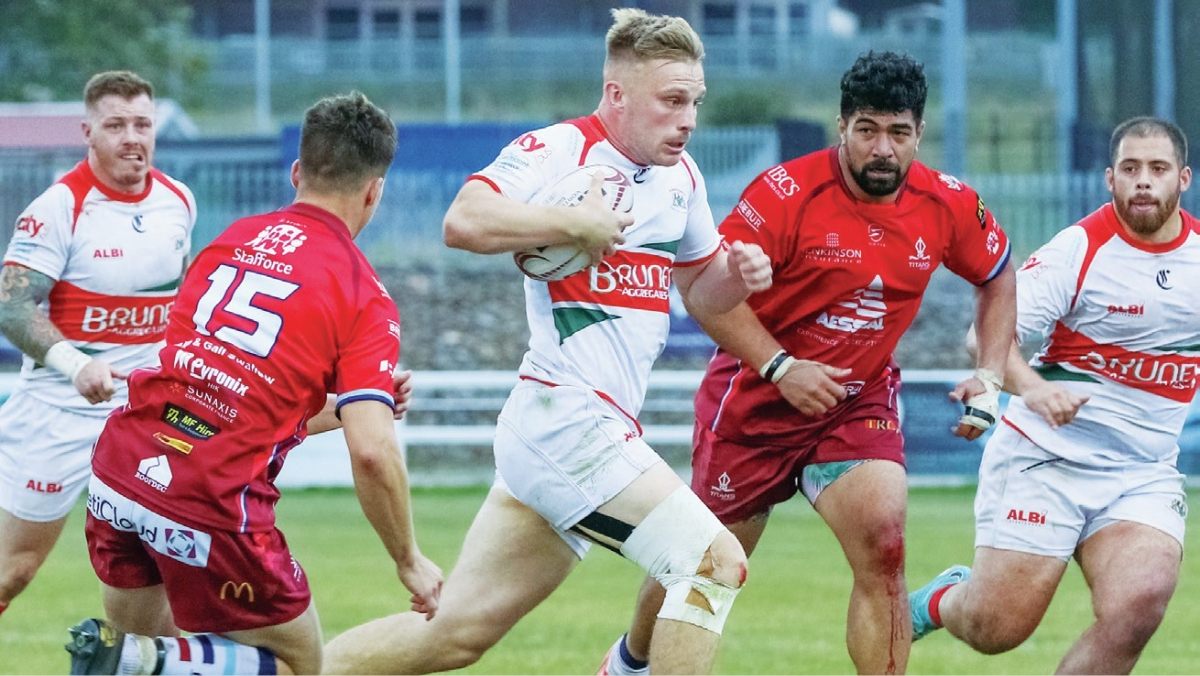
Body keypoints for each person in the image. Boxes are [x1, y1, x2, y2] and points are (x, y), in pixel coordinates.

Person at [322, 8, 772, 675]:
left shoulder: (684, 181)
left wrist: (735, 276)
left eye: (696, 102)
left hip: (576, 431)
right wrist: (574, 222)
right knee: (710, 564)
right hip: (568, 421)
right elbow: (463, 220)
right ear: (617, 94)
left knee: (450, 637)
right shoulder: (559, 151)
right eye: (673, 101)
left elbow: (701, 294)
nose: (689, 119)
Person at [599, 50, 1017, 676]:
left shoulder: (949, 204)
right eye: (868, 130)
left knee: (885, 544)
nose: (883, 149)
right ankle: (631, 661)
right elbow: (710, 298)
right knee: (705, 563)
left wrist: (989, 372)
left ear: (919, 134)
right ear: (841, 126)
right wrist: (781, 367)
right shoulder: (786, 194)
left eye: (898, 133)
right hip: (755, 404)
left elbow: (998, 276)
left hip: (855, 402)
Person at [63, 91, 443, 675]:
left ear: (298, 172)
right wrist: (409, 559)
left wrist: (347, 406)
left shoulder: (229, 241)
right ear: (375, 191)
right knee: (296, 662)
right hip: (210, 499)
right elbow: (372, 452)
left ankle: (144, 661)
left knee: (133, 659)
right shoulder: (364, 296)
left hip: (121, 469)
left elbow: (231, 390)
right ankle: (151, 662)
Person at [909, 117, 1194, 674]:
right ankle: (943, 599)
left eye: (1157, 169)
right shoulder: (1080, 250)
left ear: (1182, 179)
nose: (1143, 182)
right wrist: (1035, 390)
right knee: (997, 630)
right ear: (1109, 179)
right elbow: (985, 335)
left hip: (1141, 472)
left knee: (1139, 604)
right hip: (1047, 458)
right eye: (1130, 169)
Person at [0, 70, 196, 620]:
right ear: (88, 131)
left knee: (165, 562)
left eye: (142, 124)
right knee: (13, 571)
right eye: (116, 125)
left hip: (141, 415)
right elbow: (11, 306)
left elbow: (172, 306)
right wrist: (74, 363)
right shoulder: (58, 209)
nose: (132, 137)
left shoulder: (178, 201)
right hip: (58, 413)